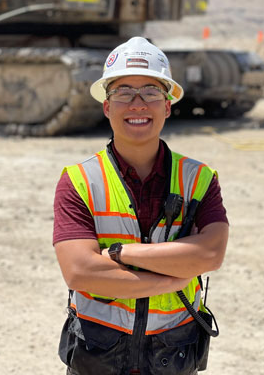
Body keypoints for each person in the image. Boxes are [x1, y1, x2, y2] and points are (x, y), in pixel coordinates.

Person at [53, 37, 229, 375]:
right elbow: (80, 272)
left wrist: (121, 254)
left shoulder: (199, 179)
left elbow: (210, 255)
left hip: (173, 354)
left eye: (150, 92)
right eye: (123, 93)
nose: (137, 104)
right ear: (107, 107)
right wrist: (173, 277)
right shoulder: (78, 180)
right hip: (98, 355)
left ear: (167, 106)